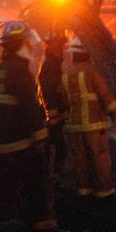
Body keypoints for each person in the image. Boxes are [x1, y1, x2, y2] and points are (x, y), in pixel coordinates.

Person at [0, 20, 57, 231]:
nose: (30, 47)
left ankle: (3, 231)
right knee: (37, 184)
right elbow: (29, 107)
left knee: (6, 190)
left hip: (1, 145)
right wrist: (42, 137)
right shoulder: (20, 71)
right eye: (27, 43)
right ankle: (43, 226)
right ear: (21, 44)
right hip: (21, 144)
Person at [60, 36, 116, 201]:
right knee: (99, 156)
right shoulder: (92, 71)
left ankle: (83, 191)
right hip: (94, 123)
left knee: (80, 158)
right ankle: (104, 192)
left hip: (74, 124)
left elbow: (65, 100)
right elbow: (105, 95)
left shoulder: (67, 73)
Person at [37, 31, 69, 173]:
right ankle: (52, 179)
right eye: (59, 46)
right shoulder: (51, 65)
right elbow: (49, 91)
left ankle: (51, 178)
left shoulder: (54, 64)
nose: (62, 49)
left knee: (56, 148)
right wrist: (53, 115)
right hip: (53, 118)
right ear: (52, 47)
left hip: (55, 116)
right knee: (58, 148)